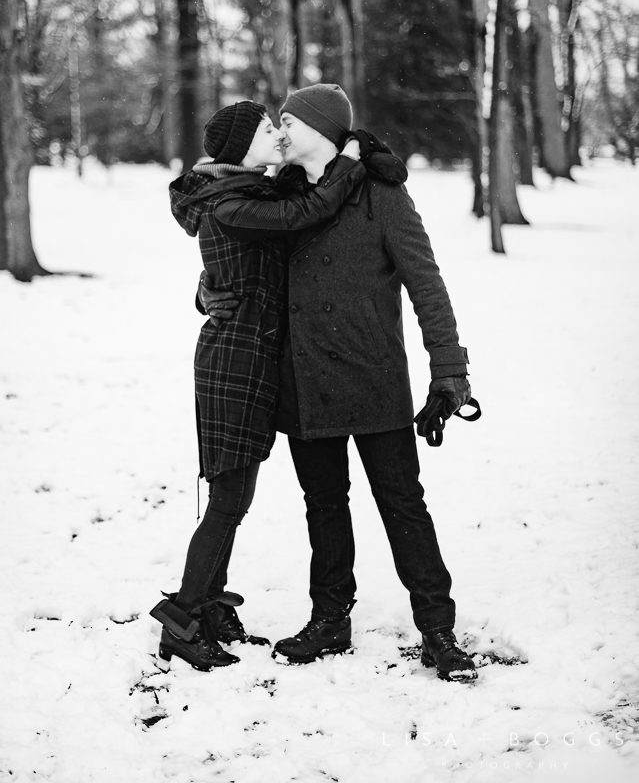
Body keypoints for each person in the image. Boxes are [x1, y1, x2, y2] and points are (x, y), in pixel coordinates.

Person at [200, 83, 478, 682]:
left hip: (373, 377)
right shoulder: (282, 198)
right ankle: (330, 620)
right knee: (323, 506)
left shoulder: (381, 194)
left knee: (403, 506)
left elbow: (426, 284)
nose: (278, 131)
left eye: (287, 121)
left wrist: (449, 369)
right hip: (303, 383)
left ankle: (438, 629)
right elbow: (237, 265)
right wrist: (207, 293)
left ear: (320, 131)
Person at [150, 100, 365, 672]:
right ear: (243, 144)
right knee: (228, 500)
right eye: (268, 128)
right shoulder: (230, 201)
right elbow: (305, 214)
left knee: (233, 497)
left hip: (249, 355)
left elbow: (259, 253)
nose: (277, 133)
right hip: (234, 362)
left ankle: (213, 606)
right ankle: (184, 616)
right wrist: (347, 162)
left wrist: (209, 289)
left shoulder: (245, 194)